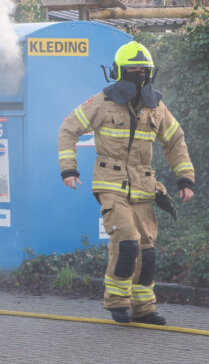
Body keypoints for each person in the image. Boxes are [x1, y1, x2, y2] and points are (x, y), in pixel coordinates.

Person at [57, 41, 195, 325]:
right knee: (127, 243)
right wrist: (68, 169)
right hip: (111, 184)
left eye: (142, 71)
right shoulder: (101, 102)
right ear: (119, 72)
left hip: (144, 188)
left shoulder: (156, 107)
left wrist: (185, 178)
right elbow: (68, 129)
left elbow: (175, 141)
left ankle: (143, 308)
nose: (138, 76)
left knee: (147, 252)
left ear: (150, 73)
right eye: (132, 71)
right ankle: (117, 302)